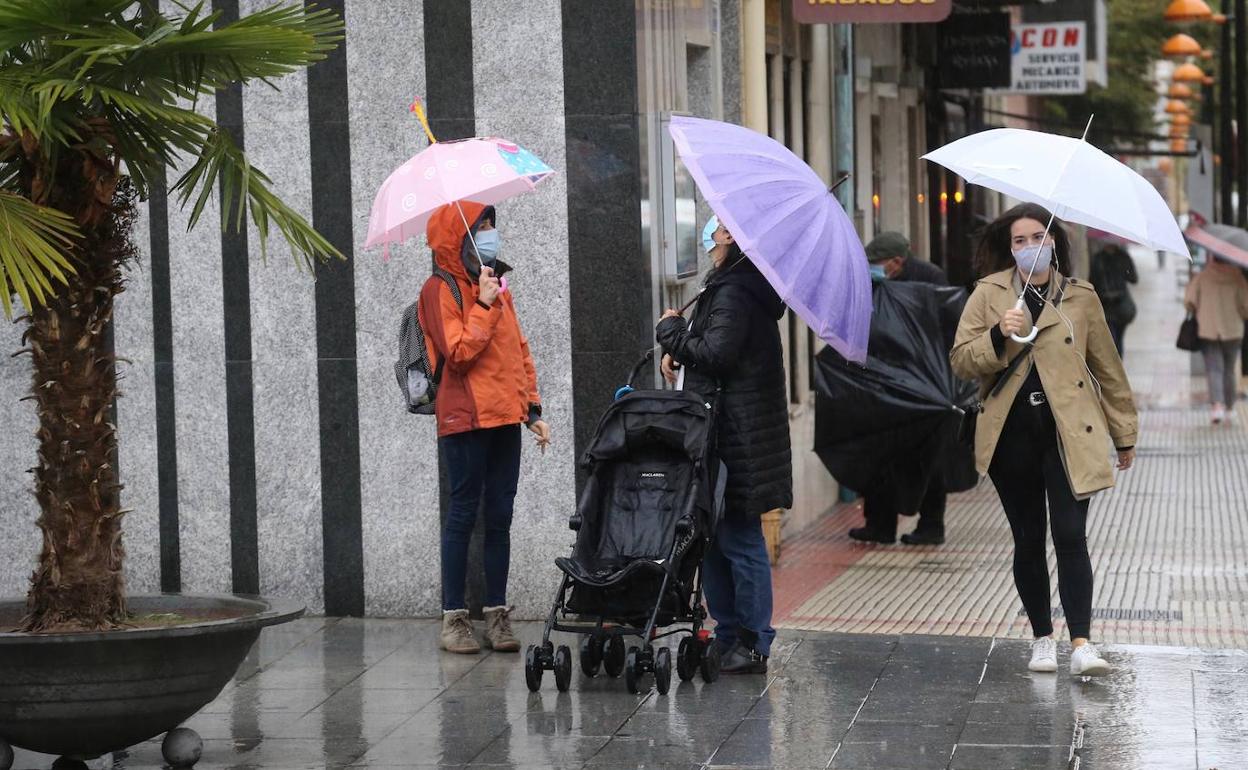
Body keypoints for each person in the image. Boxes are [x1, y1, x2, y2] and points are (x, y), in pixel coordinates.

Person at [951, 203, 1137, 678]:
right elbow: (962, 362)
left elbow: (1108, 369)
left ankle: (1081, 643)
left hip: (1068, 433)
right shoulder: (989, 294)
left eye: (1038, 237)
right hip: (1011, 437)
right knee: (1028, 539)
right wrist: (999, 334)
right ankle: (1041, 638)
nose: (1030, 246)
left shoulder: (1080, 297)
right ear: (1007, 248)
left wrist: (1124, 434)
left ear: (1054, 241)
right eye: (1019, 240)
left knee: (1071, 536)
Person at [656, 217, 793, 675]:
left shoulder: (735, 290)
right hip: (726, 431)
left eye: (713, 226)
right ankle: (730, 633)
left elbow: (718, 354)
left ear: (731, 235)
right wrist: (682, 344)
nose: (707, 234)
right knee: (713, 538)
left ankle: (753, 641)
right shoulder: (732, 284)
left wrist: (671, 333)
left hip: (736, 437)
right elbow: (713, 347)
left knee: (738, 537)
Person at [419, 202, 552, 655]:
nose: (491, 237)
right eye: (482, 229)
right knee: (461, 516)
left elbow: (519, 350)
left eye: (493, 228)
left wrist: (532, 409)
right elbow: (457, 353)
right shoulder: (439, 291)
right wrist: (482, 304)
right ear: (458, 238)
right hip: (465, 418)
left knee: (500, 518)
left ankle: (497, 615)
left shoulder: (496, 284)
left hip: (504, 418)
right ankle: (453, 618)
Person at [852, 232, 950, 545]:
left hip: (924, 379)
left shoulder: (929, 277)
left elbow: (942, 324)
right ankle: (879, 525)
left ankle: (932, 526)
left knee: (928, 459)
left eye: (877, 264)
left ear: (896, 262)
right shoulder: (874, 282)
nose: (873, 269)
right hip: (882, 377)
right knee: (880, 455)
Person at [1184, 256, 1248, 424]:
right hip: (1233, 331)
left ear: (1212, 258)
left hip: (1209, 330)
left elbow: (1189, 302)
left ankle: (1217, 407)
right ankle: (1230, 409)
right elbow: (1246, 306)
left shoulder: (1203, 276)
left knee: (1214, 369)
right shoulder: (1237, 277)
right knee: (1229, 370)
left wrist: (1201, 309)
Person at [1088, 243, 1138, 357]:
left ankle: (1117, 367)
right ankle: (1117, 365)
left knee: (1115, 340)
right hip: (1108, 307)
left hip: (1117, 307)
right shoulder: (1102, 258)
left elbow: (1134, 278)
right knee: (1114, 341)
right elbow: (1091, 283)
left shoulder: (1099, 258)